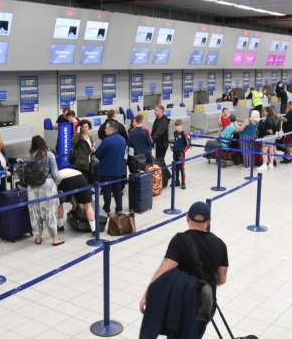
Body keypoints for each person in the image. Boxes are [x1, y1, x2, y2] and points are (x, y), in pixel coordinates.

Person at [139, 202, 229, 338]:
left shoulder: (180, 241)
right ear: (209, 221)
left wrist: (147, 295)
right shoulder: (220, 244)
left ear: (187, 218)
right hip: (206, 306)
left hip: (182, 306)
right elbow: (222, 279)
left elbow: (162, 271)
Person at [15, 136, 63, 246]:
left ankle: (37, 237)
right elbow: (55, 173)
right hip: (47, 185)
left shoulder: (30, 156)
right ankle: (55, 238)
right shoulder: (49, 155)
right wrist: (58, 182)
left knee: (34, 211)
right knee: (49, 211)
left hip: (32, 186)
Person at [95, 122, 127, 215]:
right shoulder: (123, 140)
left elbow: (98, 154)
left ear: (111, 129)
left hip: (107, 170)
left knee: (107, 191)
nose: (105, 130)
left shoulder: (107, 141)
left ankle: (107, 209)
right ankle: (119, 209)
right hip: (119, 169)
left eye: (106, 128)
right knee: (118, 190)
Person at [56, 168, 96, 236]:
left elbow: (58, 190)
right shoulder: (67, 170)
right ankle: (94, 230)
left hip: (66, 179)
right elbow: (72, 192)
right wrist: (74, 203)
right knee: (87, 205)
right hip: (81, 177)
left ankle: (60, 226)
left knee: (60, 203)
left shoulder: (55, 175)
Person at [257, 106, 278, 171]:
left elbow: (269, 125)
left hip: (267, 136)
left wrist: (268, 129)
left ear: (268, 112)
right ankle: (271, 164)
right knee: (271, 150)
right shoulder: (274, 117)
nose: (264, 112)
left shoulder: (268, 119)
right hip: (273, 136)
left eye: (265, 111)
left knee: (264, 150)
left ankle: (264, 164)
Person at [171, 120, 190, 189]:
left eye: (178, 126)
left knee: (182, 168)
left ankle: (183, 182)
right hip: (175, 152)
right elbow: (176, 142)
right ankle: (177, 181)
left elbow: (188, 144)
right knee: (176, 167)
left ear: (181, 126)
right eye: (176, 126)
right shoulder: (175, 133)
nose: (176, 127)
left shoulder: (183, 133)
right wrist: (173, 148)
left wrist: (183, 151)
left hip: (181, 153)